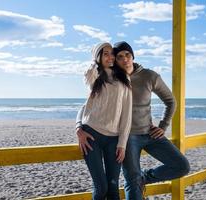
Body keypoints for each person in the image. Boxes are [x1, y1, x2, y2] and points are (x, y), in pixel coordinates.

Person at [76, 41, 190, 200]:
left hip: (150, 133)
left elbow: (171, 101)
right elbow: (90, 104)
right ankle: (137, 180)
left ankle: (145, 177)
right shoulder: (111, 78)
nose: (124, 59)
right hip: (127, 137)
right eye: (120, 56)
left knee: (182, 166)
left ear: (133, 56)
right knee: (131, 181)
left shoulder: (149, 76)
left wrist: (163, 126)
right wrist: (79, 127)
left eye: (127, 55)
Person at [76, 42, 132, 200]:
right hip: (91, 135)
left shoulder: (124, 78)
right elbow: (85, 105)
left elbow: (126, 114)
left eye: (111, 53)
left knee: (113, 187)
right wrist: (78, 129)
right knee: (101, 188)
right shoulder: (95, 76)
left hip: (113, 139)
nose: (111, 57)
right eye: (105, 53)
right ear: (98, 57)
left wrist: (122, 144)